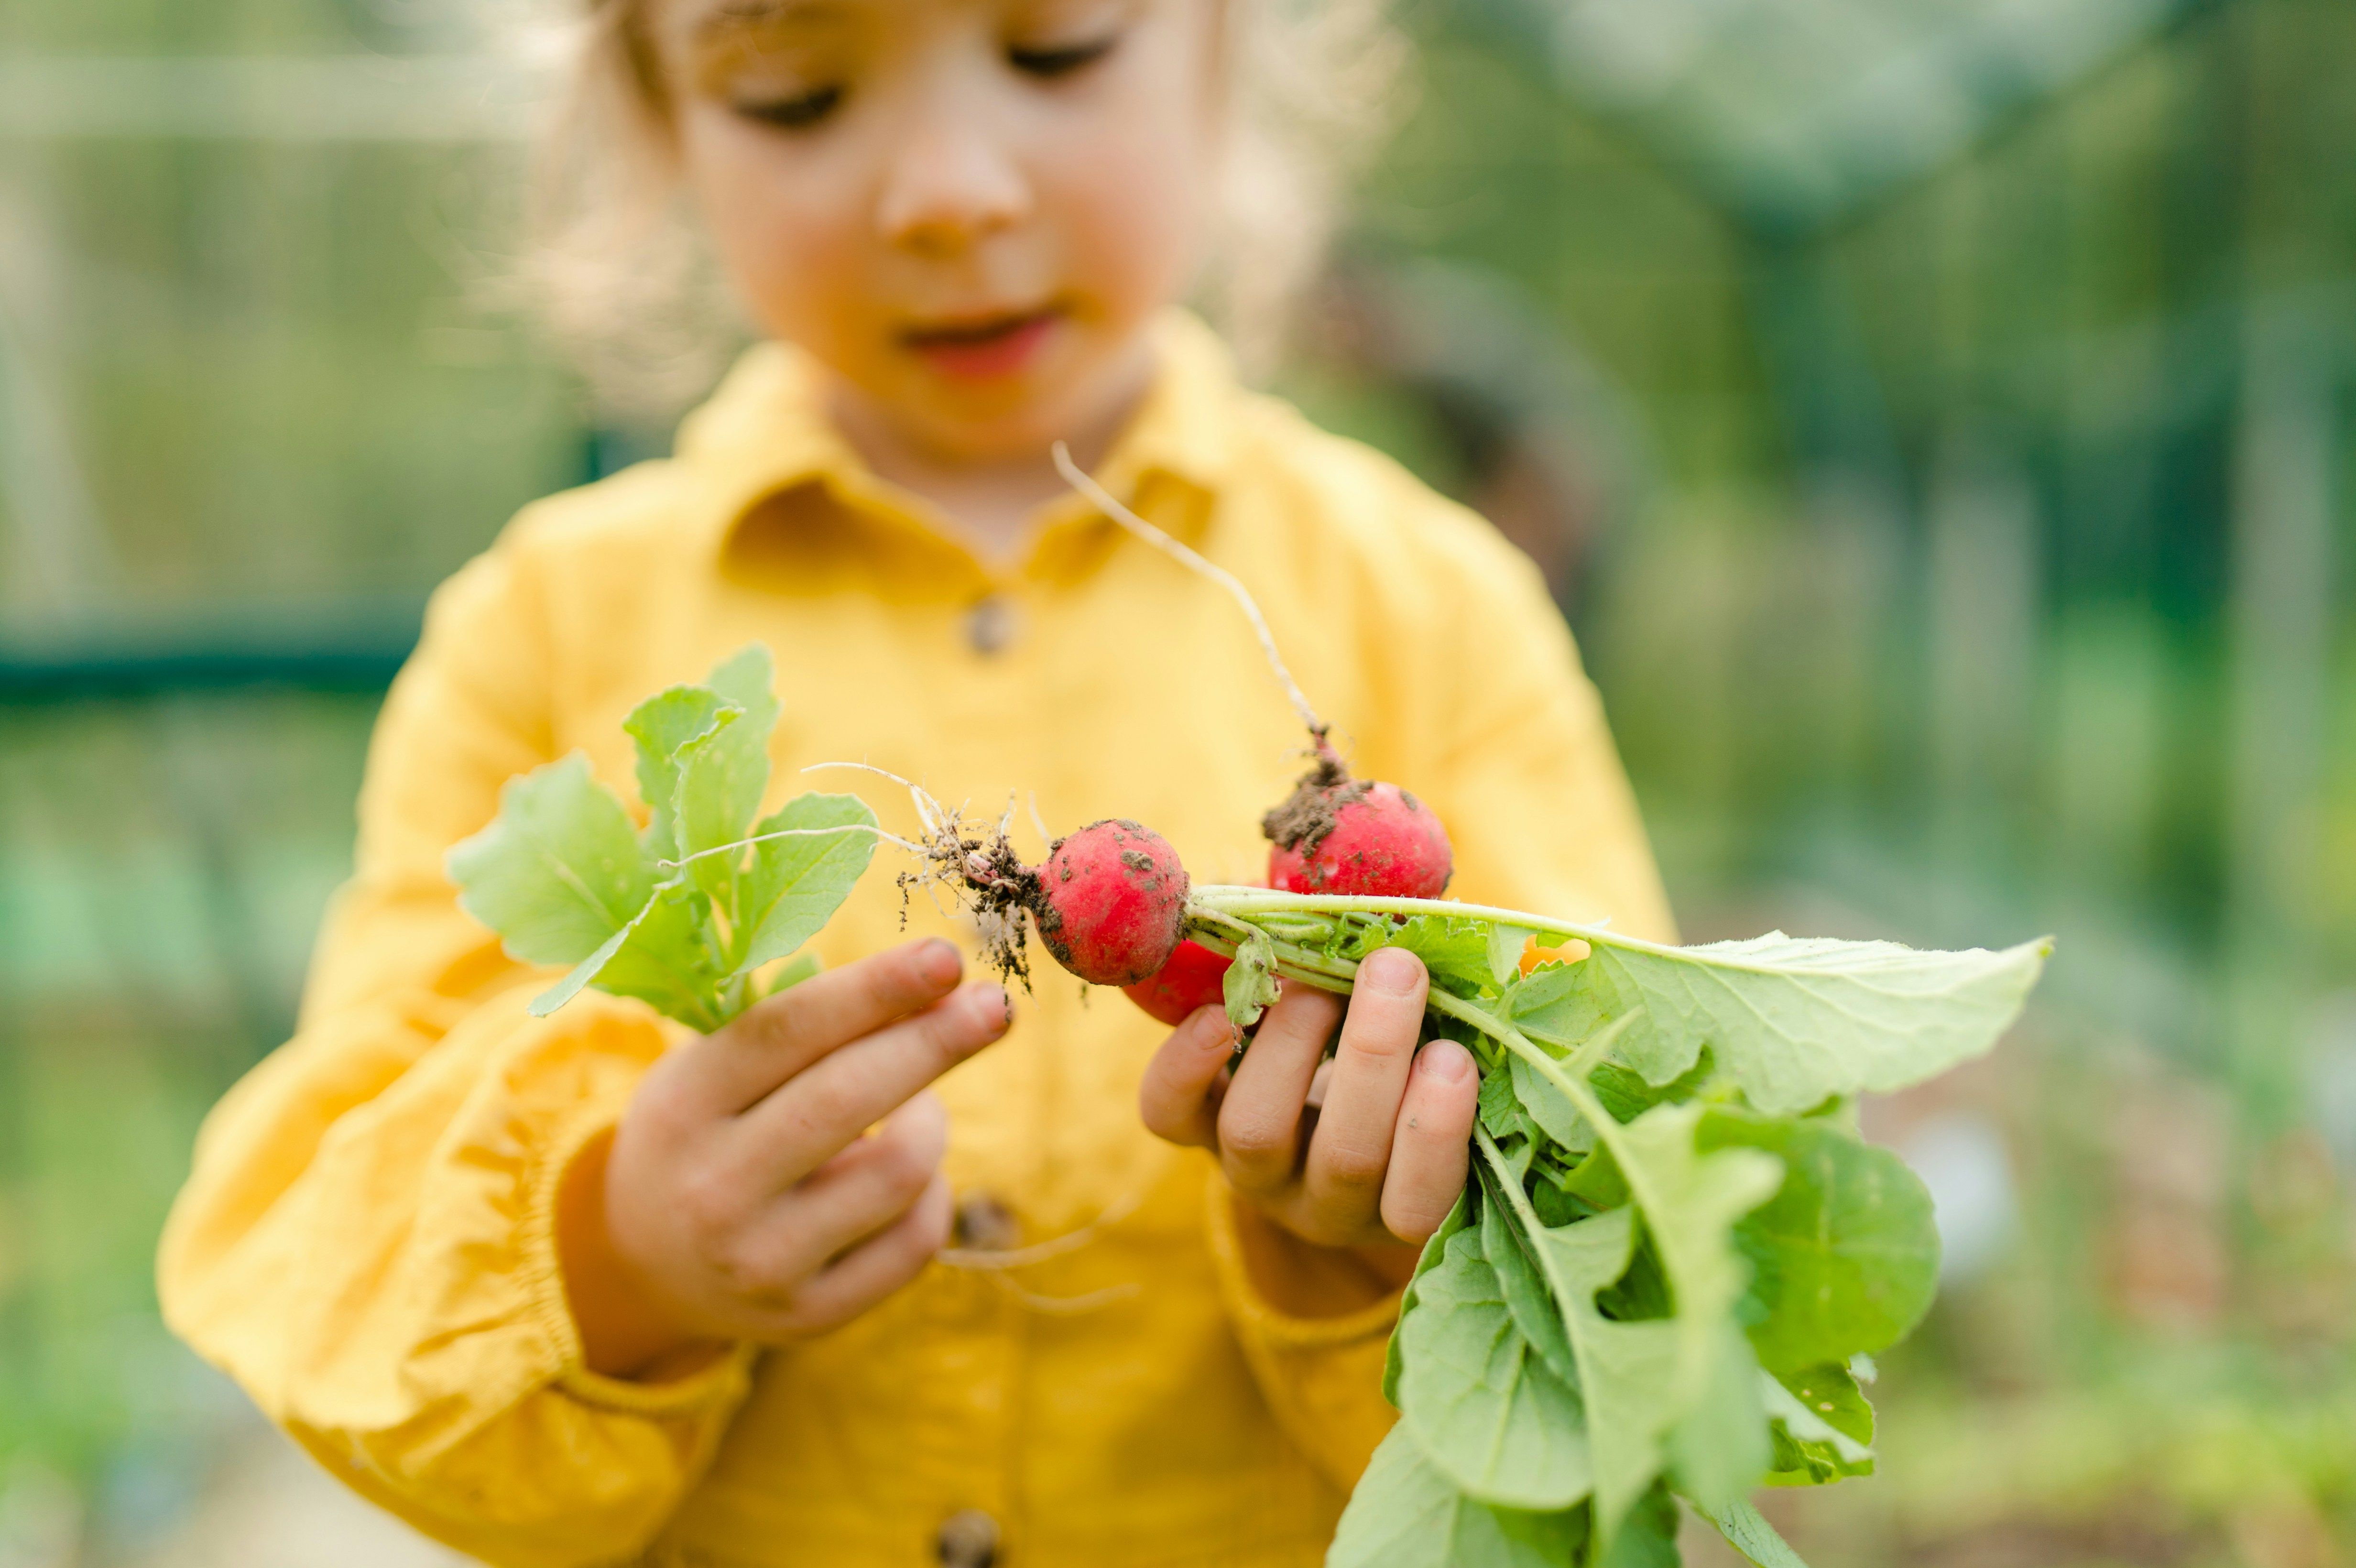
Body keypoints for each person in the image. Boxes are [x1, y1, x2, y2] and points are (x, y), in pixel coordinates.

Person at [156, 0, 1674, 1563]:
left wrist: (1394, 1246)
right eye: (799, 96)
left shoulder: (1435, 609)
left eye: (1059, 52)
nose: (948, 194)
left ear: (1232, 43)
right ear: (658, 121)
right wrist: (619, 1251)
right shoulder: (541, 633)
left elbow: (1646, 1220)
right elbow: (327, 1245)